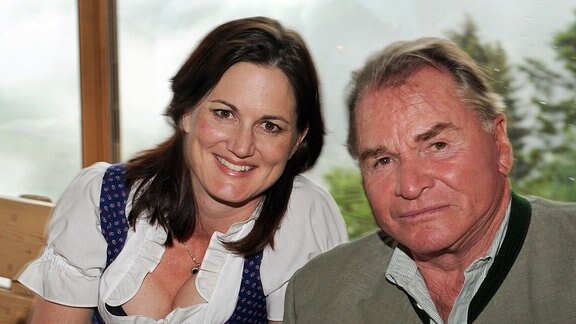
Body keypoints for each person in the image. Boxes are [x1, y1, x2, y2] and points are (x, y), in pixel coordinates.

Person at [19, 16, 348, 324]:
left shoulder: (299, 221)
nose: (242, 146)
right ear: (186, 112)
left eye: (270, 125)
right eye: (224, 114)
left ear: (298, 140)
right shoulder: (102, 199)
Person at [284, 37, 576, 323]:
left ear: (500, 144)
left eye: (437, 146)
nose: (410, 186)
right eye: (383, 161)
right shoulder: (317, 297)